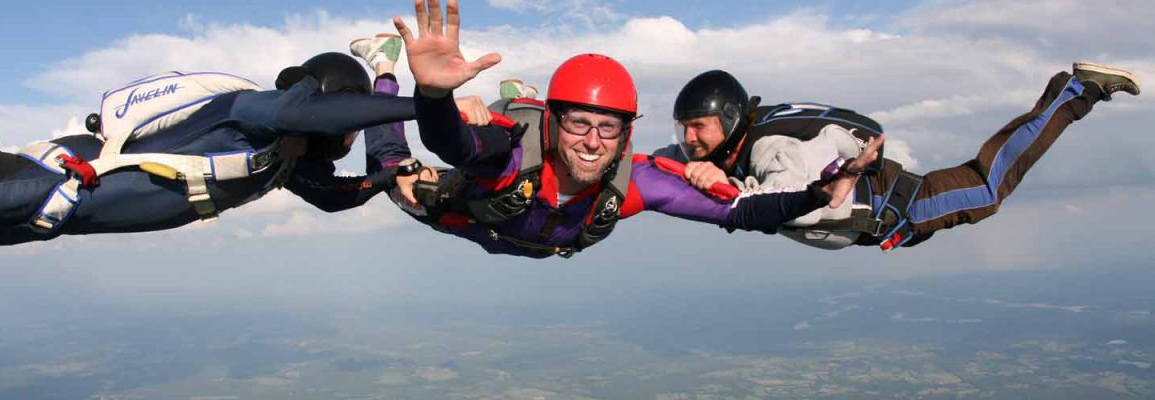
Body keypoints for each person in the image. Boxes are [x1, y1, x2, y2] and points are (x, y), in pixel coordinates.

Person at [378, 0, 882, 258]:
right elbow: (452, 143)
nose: (595, 142)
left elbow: (745, 212)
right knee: (393, 174)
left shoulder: (635, 180)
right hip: (465, 211)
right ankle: (382, 70)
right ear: (555, 123)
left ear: (626, 133)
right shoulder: (508, 155)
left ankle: (518, 95)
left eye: (609, 128)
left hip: (532, 234)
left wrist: (818, 191)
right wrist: (433, 95)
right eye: (579, 124)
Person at [0, 46, 425, 245]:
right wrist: (428, 106)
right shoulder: (250, 112)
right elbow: (302, 113)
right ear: (330, 100)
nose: (350, 135)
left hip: (66, 207)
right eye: (350, 120)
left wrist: (387, 177)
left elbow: (331, 198)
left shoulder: (284, 161)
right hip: (66, 176)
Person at [658, 65, 1140, 251]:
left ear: (730, 117)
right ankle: (1075, 91)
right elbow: (667, 159)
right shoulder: (755, 132)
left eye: (698, 126)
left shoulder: (769, 148)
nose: (690, 139)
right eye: (685, 128)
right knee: (984, 180)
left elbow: (777, 200)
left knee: (989, 187)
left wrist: (715, 185)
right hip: (891, 193)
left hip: (908, 205)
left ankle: (1078, 91)